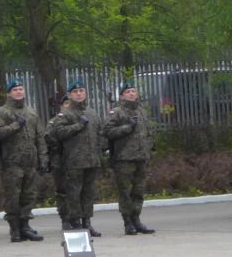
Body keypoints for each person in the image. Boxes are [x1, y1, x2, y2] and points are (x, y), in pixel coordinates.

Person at [0, 80, 46, 243]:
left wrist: (43, 157)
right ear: (9, 93)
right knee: (13, 196)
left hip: (30, 161)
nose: (19, 92)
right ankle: (14, 228)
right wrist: (15, 126)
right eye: (15, 90)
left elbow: (40, 137)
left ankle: (25, 226)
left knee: (29, 195)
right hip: (11, 162)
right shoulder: (2, 112)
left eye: (21, 89)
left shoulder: (31, 112)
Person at [48, 80, 102, 236]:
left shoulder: (91, 113)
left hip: (91, 160)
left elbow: (100, 133)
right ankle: (75, 222)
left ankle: (87, 222)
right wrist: (78, 125)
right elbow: (58, 133)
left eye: (81, 91)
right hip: (73, 161)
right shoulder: (65, 114)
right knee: (74, 193)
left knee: (88, 193)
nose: (79, 94)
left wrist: (99, 151)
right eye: (75, 92)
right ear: (70, 95)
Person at [104, 82, 156, 235]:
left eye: (133, 91)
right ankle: (127, 221)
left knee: (138, 190)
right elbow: (107, 131)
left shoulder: (141, 111)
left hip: (141, 156)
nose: (132, 94)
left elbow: (148, 131)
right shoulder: (117, 112)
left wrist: (149, 147)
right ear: (122, 96)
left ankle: (136, 219)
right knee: (125, 191)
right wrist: (127, 127)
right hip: (124, 158)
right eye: (128, 92)